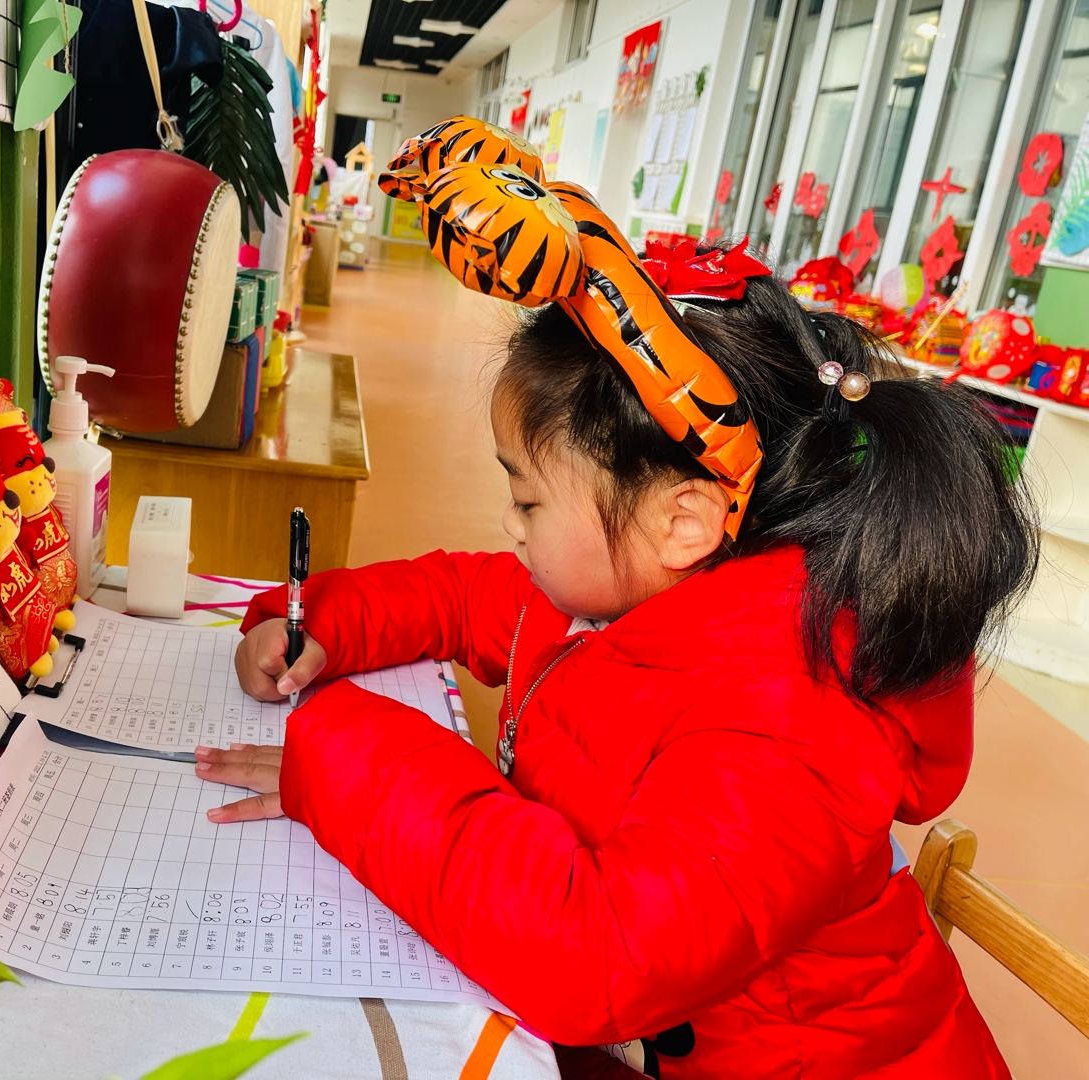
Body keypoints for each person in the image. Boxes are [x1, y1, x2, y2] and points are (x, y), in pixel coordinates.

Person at [192, 118, 1037, 1078]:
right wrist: (320, 624)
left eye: (527, 499)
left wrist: (342, 757)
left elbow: (593, 955)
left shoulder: (793, 732)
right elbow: (470, 595)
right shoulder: (630, 587)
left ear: (685, 520)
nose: (511, 525)